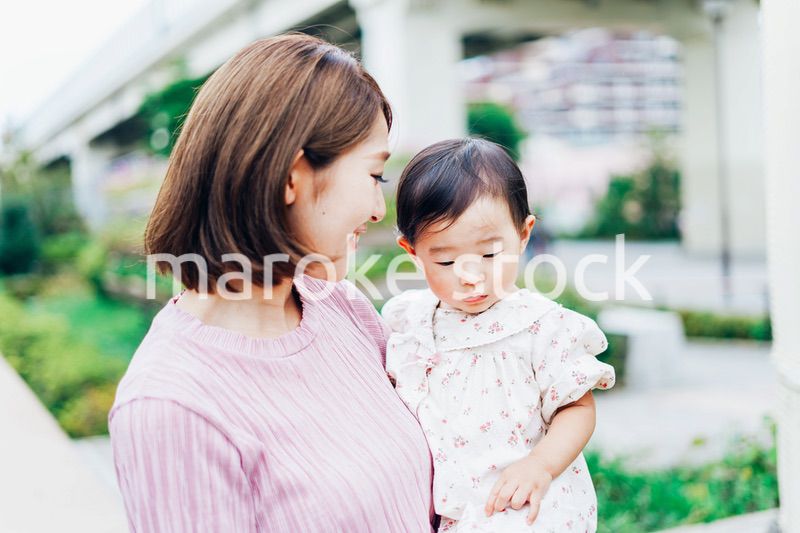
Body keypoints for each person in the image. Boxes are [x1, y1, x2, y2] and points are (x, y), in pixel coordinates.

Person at [109, 34, 435, 532]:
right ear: (292, 176)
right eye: (375, 176)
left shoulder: (339, 308)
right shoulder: (171, 407)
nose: (376, 209)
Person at [382, 138, 615, 532]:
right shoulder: (410, 322)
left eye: (490, 254)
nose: (470, 275)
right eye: (446, 260)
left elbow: (576, 407)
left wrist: (541, 465)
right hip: (452, 509)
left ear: (524, 235)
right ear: (413, 252)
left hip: (526, 506)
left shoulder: (541, 325)